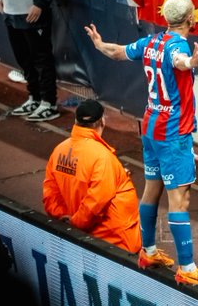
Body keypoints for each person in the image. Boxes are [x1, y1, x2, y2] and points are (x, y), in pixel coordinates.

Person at [84, 0, 198, 290]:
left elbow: (118, 52)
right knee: (179, 199)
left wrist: (98, 44)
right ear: (189, 20)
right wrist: (193, 62)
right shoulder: (178, 46)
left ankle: (148, 252)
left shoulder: (150, 42)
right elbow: (180, 62)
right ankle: (187, 268)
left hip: (150, 125)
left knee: (151, 190)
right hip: (172, 133)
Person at [43, 100, 142, 255]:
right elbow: (96, 201)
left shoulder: (59, 151)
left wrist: (63, 218)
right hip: (114, 244)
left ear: (76, 121)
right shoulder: (102, 157)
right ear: (102, 122)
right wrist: (75, 223)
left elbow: (50, 193)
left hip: (82, 239)